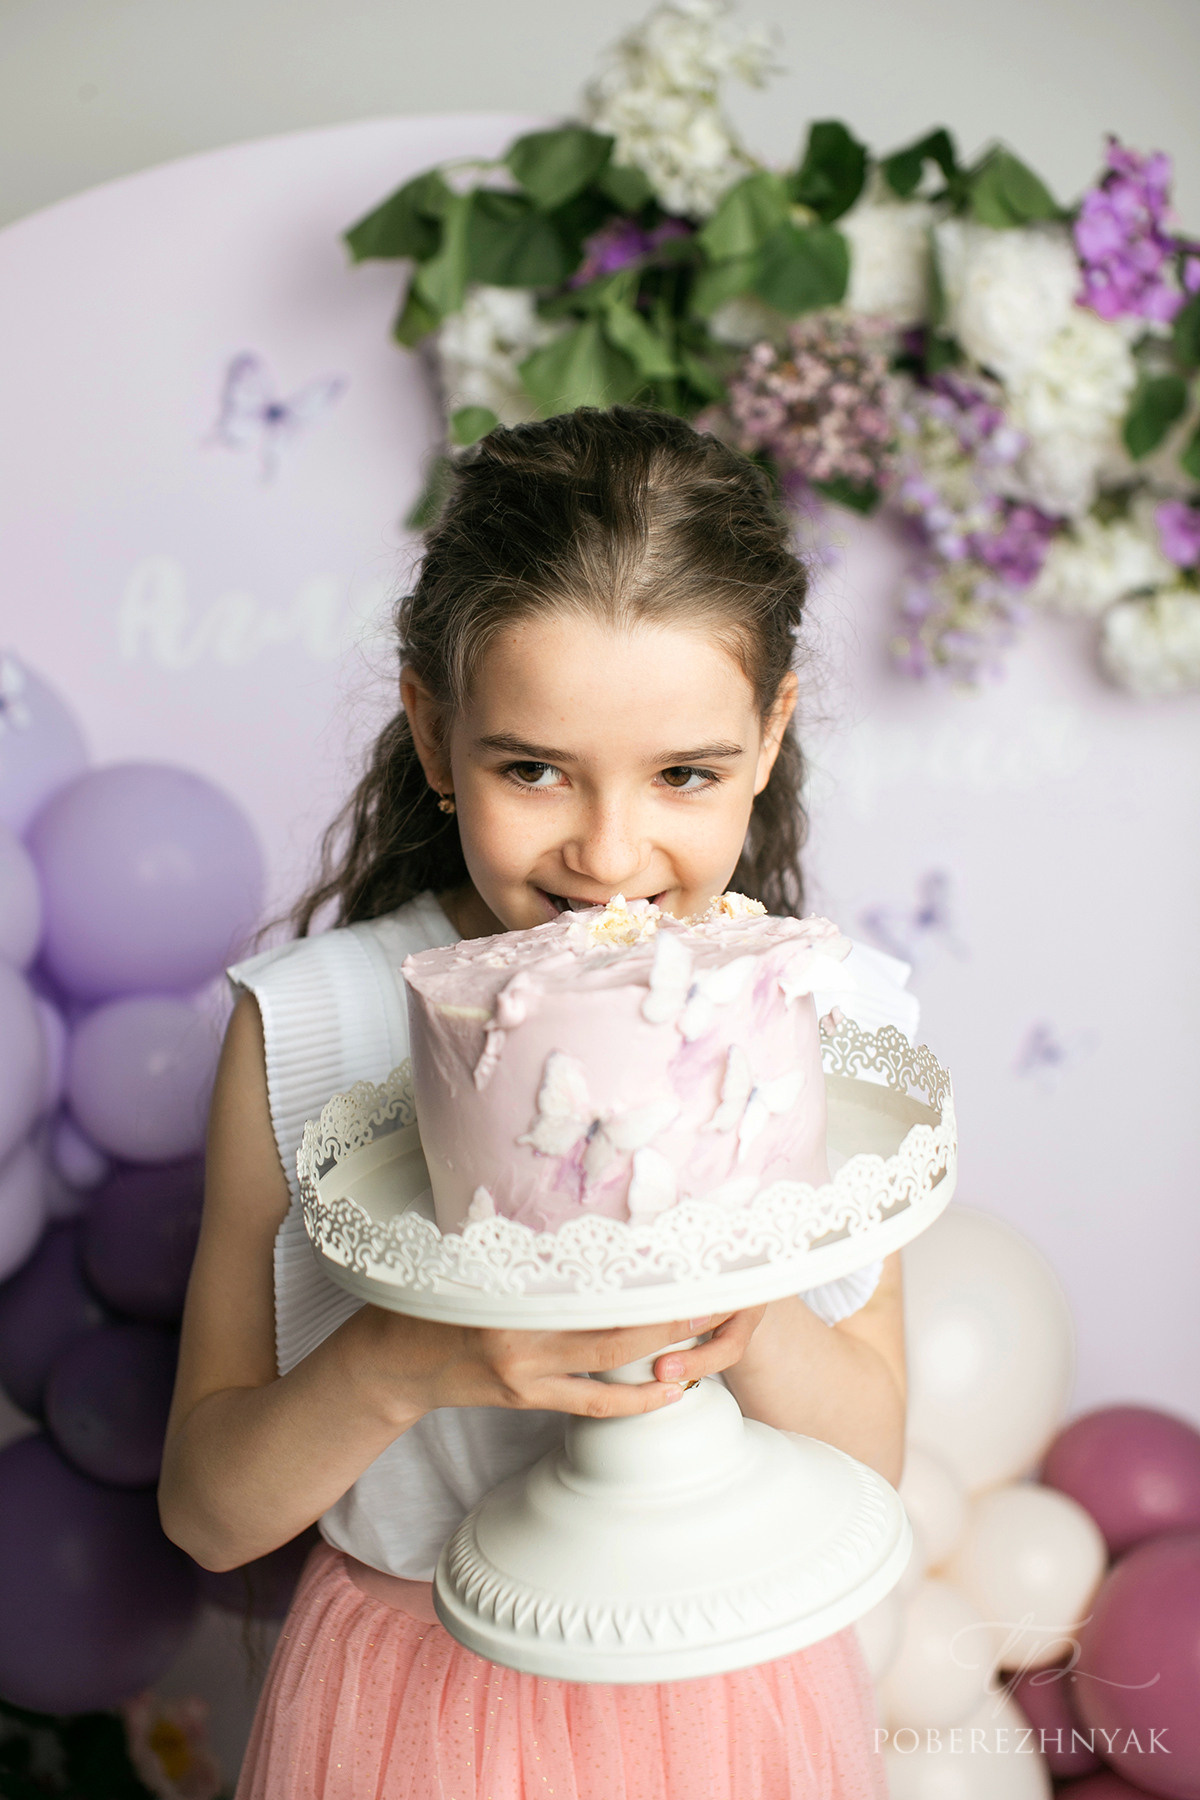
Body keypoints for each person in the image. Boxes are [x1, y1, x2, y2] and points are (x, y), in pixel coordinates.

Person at [159, 405, 909, 1800]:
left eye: (684, 775)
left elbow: (873, 1454)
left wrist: (740, 1301)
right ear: (433, 731)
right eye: (532, 769)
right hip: (412, 1704)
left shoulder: (823, 1012)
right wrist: (405, 1358)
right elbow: (207, 1515)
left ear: (769, 737)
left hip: (729, 1694)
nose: (610, 856)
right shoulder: (310, 1027)